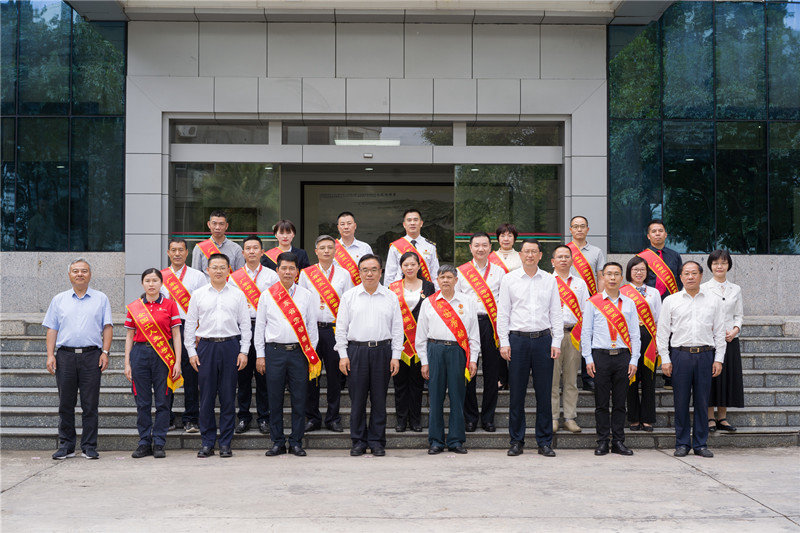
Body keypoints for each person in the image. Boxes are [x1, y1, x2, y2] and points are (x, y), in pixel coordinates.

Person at [497, 239, 563, 457]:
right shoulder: (509, 279)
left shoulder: (549, 280)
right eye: (526, 251)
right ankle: (516, 440)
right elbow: (503, 313)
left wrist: (556, 341)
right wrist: (504, 342)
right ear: (520, 254)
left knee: (544, 394)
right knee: (517, 394)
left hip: (543, 340)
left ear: (540, 255)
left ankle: (544, 442)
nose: (530, 255)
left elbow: (556, 312)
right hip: (518, 341)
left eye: (534, 252)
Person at [43, 258, 113, 460]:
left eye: (84, 270)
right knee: (66, 403)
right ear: (69, 274)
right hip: (65, 356)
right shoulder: (59, 299)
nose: (80, 274)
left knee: (90, 404)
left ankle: (89, 446)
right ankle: (66, 445)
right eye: (75, 271)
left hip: (92, 356)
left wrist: (105, 352)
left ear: (90, 274)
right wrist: (50, 355)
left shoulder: (101, 298)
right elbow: (52, 328)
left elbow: (107, 327)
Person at [184, 253, 251, 458]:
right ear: (208, 270)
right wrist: (191, 352)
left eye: (223, 267)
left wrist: (244, 351)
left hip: (231, 346)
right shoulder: (198, 294)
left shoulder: (238, 294)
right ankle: (207, 442)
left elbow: (245, 325)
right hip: (206, 347)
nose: (219, 271)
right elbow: (190, 325)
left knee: (228, 397)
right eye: (215, 267)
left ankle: (225, 444)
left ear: (229, 270)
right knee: (206, 397)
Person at [336, 254, 404, 456]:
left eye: (374, 269)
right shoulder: (349, 296)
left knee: (379, 399)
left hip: (382, 351)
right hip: (356, 352)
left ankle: (376, 441)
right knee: (357, 400)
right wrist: (343, 354)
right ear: (359, 272)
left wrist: (396, 355)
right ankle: (358, 441)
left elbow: (397, 329)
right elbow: (341, 328)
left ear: (380, 272)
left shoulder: (390, 297)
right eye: (365, 270)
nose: (369, 274)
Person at [657, 261, 726, 458]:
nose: (690, 277)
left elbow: (720, 332)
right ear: (680, 277)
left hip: (705, 355)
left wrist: (718, 359)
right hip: (680, 355)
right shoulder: (671, 301)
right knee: (680, 401)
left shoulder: (713, 301)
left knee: (702, 401)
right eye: (686, 273)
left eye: (694, 273)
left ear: (701, 276)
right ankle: (682, 443)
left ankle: (700, 444)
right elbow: (662, 332)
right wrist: (665, 358)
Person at [255, 252, 319, 457]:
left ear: (297, 271)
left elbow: (312, 327)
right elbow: (260, 327)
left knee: (299, 399)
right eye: (284, 268)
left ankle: (296, 442)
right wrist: (260, 355)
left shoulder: (306, 295)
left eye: (292, 268)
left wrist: (310, 353)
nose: (288, 272)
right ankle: (277, 442)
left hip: (299, 353)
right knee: (274, 399)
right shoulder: (267, 295)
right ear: (277, 270)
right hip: (274, 353)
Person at [417, 266, 480, 454]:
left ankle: (456, 440)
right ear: (437, 280)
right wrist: (424, 361)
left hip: (457, 351)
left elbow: (474, 334)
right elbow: (420, 335)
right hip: (435, 350)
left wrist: (473, 359)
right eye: (442, 277)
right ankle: (436, 440)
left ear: (456, 280)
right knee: (435, 397)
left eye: (449, 277)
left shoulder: (467, 302)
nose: (445, 280)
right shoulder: (428, 303)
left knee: (457, 396)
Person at [581, 263, 641, 456]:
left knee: (620, 402)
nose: (613, 278)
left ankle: (618, 441)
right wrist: (588, 358)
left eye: (616, 274)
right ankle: (602, 441)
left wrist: (634, 360)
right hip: (600, 357)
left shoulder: (629, 303)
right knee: (601, 402)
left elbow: (635, 335)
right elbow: (586, 333)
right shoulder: (593, 302)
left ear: (622, 278)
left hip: (623, 357)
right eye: (609, 274)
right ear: (603, 277)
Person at [123, 269, 183, 459]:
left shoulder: (170, 305)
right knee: (142, 402)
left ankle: (159, 442)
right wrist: (127, 362)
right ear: (142, 283)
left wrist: (178, 361)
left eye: (155, 280)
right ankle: (144, 442)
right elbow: (129, 336)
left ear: (161, 283)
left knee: (163, 401)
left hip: (163, 356)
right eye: (147, 280)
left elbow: (176, 335)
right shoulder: (135, 307)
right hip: (140, 354)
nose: (151, 284)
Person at [298, 235, 354, 433]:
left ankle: (333, 417)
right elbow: (301, 303)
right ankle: (312, 417)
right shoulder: (306, 274)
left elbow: (348, 303)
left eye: (330, 247)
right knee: (311, 375)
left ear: (335, 250)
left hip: (334, 330)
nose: (326, 251)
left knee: (334, 376)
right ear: (316, 251)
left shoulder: (344, 274)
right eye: (322, 248)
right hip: (312, 330)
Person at [229, 235, 279, 436]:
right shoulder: (234, 278)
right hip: (241, 329)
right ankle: (243, 417)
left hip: (265, 329)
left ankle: (264, 417)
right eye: (248, 248)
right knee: (243, 376)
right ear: (243, 253)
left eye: (255, 248)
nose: (251, 251)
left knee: (263, 376)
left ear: (262, 252)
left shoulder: (272, 276)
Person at [456, 232, 505, 433]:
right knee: (468, 370)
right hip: (468, 324)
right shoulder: (461, 272)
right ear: (470, 248)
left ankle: (488, 417)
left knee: (492, 372)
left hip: (491, 323)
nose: (481, 249)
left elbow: (504, 302)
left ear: (490, 248)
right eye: (477, 245)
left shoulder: (500, 272)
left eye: (484, 245)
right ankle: (470, 417)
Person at [161, 238, 208, 433]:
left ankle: (191, 418)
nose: (177, 253)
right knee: (166, 373)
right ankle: (167, 417)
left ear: (187, 253)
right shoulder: (160, 276)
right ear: (168, 253)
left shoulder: (197, 276)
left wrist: (199, 330)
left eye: (181, 250)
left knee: (191, 375)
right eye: (173, 250)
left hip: (189, 327)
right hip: (166, 330)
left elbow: (204, 305)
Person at [388, 251, 436, 433]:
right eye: (405, 265)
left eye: (412, 264)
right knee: (400, 384)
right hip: (399, 342)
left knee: (417, 384)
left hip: (420, 342)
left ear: (419, 266)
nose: (409, 268)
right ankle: (401, 420)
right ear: (401, 267)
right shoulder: (393, 287)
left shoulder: (429, 286)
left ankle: (415, 420)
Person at [703, 249, 744, 433]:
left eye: (723, 263)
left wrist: (735, 330)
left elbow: (739, 315)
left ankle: (723, 417)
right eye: (715, 263)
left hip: (730, 340)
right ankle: (710, 417)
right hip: (710, 340)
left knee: (727, 377)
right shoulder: (703, 288)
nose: (719, 266)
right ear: (710, 266)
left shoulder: (736, 289)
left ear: (728, 265)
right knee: (711, 378)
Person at [550, 245, 589, 434]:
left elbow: (585, 311)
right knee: (552, 379)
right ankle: (553, 417)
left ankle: (570, 417)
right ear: (553, 261)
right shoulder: (547, 281)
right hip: (552, 336)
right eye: (560, 257)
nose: (563, 260)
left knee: (571, 379)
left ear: (572, 260)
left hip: (573, 335)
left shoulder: (580, 284)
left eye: (567, 256)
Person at [640, 219, 683, 391]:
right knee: (646, 338)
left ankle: (669, 377)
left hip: (670, 302)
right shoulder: (641, 257)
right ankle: (644, 375)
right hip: (648, 304)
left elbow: (680, 280)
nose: (657, 234)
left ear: (666, 234)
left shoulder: (675, 256)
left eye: (660, 231)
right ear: (648, 236)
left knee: (671, 338)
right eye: (654, 231)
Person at [623, 256, 662, 432]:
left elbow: (659, 319)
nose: (639, 273)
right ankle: (633, 418)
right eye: (635, 269)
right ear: (629, 272)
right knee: (631, 378)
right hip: (629, 338)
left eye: (642, 269)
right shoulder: (623, 291)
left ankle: (647, 418)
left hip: (649, 337)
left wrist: (659, 343)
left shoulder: (654, 293)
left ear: (647, 272)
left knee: (648, 379)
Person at [567, 215, 606, 393]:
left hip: (589, 300)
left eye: (582, 226)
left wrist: (600, 298)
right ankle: (567, 377)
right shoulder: (565, 250)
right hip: (568, 299)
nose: (579, 229)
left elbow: (601, 277)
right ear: (570, 230)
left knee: (587, 338)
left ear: (588, 229)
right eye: (575, 226)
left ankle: (588, 377)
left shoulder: (596, 252)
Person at [384, 208, 440, 288]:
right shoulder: (395, 247)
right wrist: (388, 292)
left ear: (421, 223)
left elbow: (435, 274)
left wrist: (436, 292)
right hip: (401, 290)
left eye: (415, 220)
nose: (412, 223)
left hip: (425, 290)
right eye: (409, 220)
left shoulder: (430, 246)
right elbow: (389, 275)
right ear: (404, 224)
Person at [191, 209, 245, 274]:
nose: (217, 227)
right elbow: (195, 275)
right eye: (214, 223)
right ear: (209, 224)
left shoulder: (236, 249)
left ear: (226, 226)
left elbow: (240, 275)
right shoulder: (199, 248)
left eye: (221, 224)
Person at [335, 211, 374, 285]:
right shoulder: (332, 248)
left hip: (360, 289)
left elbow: (372, 270)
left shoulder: (365, 247)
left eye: (349, 223)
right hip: (338, 290)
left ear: (355, 226)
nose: (346, 227)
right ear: (338, 227)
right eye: (342, 224)